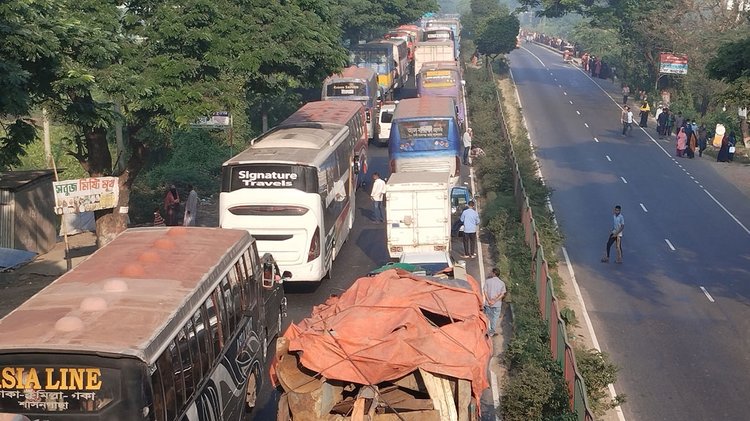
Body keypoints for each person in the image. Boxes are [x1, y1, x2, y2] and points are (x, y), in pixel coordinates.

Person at [483, 268, 506, 337]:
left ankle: (486, 330)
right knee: (495, 318)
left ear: (493, 273)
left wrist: (489, 300)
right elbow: (502, 294)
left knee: (487, 317)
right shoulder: (502, 283)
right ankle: (492, 332)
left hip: (488, 303)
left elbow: (485, 292)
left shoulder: (487, 281)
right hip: (497, 304)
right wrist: (494, 301)